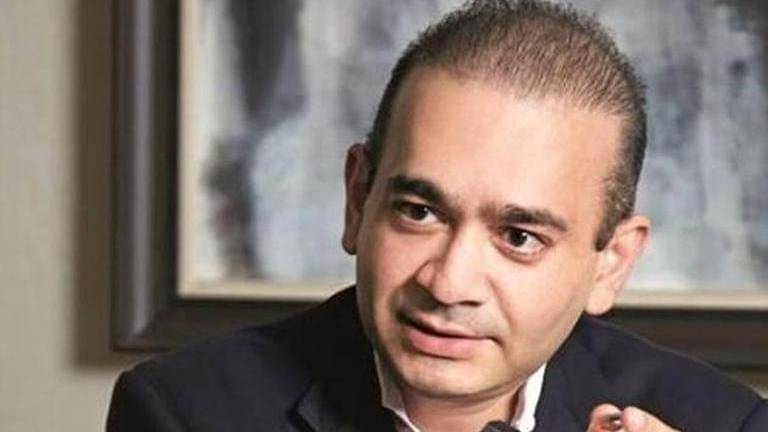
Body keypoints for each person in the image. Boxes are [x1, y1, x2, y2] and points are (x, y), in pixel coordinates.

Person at [107, 1, 768, 431]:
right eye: (420, 211)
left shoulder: (722, 423)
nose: (449, 284)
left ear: (611, 264)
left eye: (519, 237)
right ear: (359, 198)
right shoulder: (185, 412)